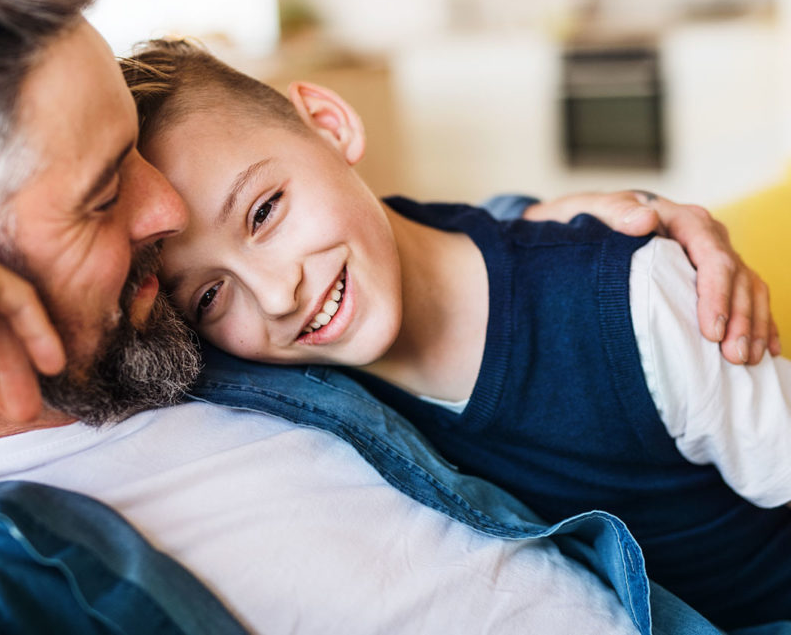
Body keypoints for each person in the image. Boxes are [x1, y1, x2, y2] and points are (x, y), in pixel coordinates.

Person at [0, 0, 777, 635]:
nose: (163, 210)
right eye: (106, 186)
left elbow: (355, 250)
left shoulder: (153, 342)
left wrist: (569, 234)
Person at [124, 38, 791, 630]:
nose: (276, 293)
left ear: (329, 125)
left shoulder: (638, 296)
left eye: (265, 211)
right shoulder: (295, 394)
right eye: (210, 294)